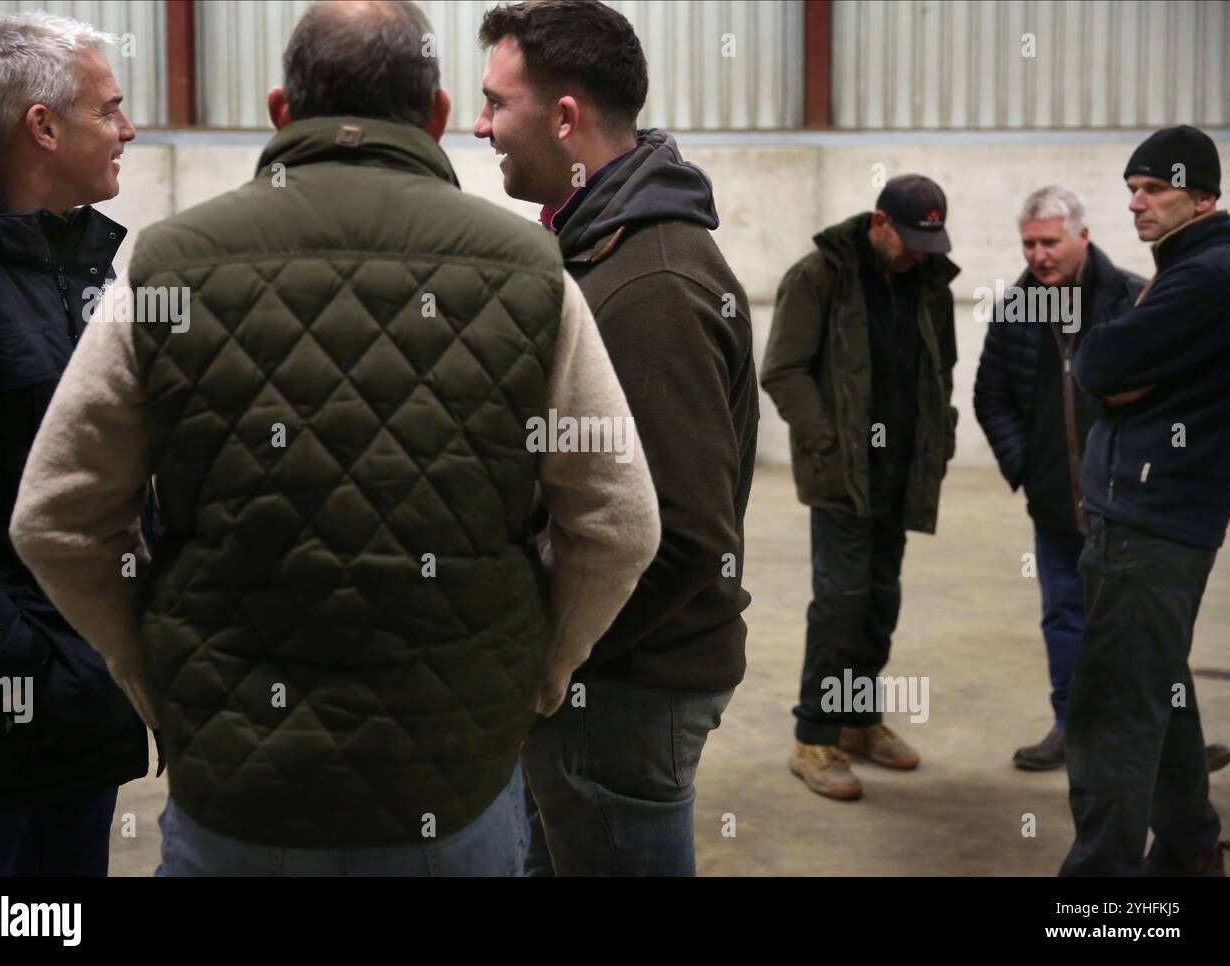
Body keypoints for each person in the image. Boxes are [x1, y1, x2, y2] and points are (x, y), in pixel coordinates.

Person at [11, 0, 660, 877]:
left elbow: (56, 519)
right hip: (452, 785)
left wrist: (150, 674)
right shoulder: (528, 270)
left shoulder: (171, 264)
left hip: (238, 788)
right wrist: (538, 676)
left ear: (282, 109)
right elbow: (618, 523)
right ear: (434, 117)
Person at [474, 0, 757, 876]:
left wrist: (552, 661)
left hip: (629, 685)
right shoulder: (597, 249)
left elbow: (685, 535)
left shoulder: (651, 284)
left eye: (495, 102)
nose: (481, 125)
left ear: (564, 117)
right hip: (608, 677)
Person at [0, 12, 145, 876]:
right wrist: (25, 661)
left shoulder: (76, 268)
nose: (128, 130)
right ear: (43, 127)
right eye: (111, 110)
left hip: (79, 711)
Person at [1061, 124, 1230, 877]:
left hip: (1148, 522)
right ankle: (1192, 847)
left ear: (1202, 196)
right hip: (1158, 518)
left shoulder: (1204, 276)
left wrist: (1111, 360)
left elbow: (1098, 364)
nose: (1137, 203)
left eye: (1154, 189)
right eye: (1131, 189)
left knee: (1111, 716)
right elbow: (1114, 371)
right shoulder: (1189, 265)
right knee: (1160, 685)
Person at [762, 175, 959, 800]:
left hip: (901, 473)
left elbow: (942, 369)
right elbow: (783, 370)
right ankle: (812, 739)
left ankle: (857, 719)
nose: (918, 251)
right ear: (879, 224)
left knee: (880, 603)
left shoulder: (929, 284)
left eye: (929, 239)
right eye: (908, 238)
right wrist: (827, 439)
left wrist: (939, 436)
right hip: (842, 475)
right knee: (840, 604)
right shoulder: (820, 275)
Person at [974, 186, 1144, 770]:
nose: (1038, 254)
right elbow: (990, 396)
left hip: (1125, 504)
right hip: (1054, 506)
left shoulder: (1133, 299)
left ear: (1083, 237)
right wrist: (1030, 470)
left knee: (1137, 623)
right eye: (1029, 243)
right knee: (1065, 614)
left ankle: (1150, 739)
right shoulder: (1017, 309)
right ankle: (1071, 726)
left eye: (1050, 241)